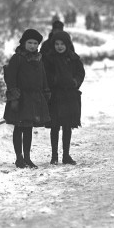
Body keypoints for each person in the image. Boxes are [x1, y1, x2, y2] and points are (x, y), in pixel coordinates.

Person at [4, 29, 52, 168]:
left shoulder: (39, 59)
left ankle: (27, 157)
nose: (32, 46)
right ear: (23, 43)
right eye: (29, 42)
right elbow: (10, 78)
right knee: (19, 127)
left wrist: (45, 91)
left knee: (29, 128)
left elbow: (43, 77)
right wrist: (14, 97)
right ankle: (19, 158)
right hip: (21, 98)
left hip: (34, 98)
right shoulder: (17, 58)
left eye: (35, 43)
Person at [42, 30, 85, 165]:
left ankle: (66, 155)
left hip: (69, 96)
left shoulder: (73, 58)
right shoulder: (48, 58)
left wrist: (75, 82)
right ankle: (54, 156)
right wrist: (54, 80)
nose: (59, 47)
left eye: (62, 44)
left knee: (67, 126)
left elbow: (80, 73)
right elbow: (45, 74)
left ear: (67, 44)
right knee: (54, 126)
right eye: (57, 44)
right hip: (55, 96)